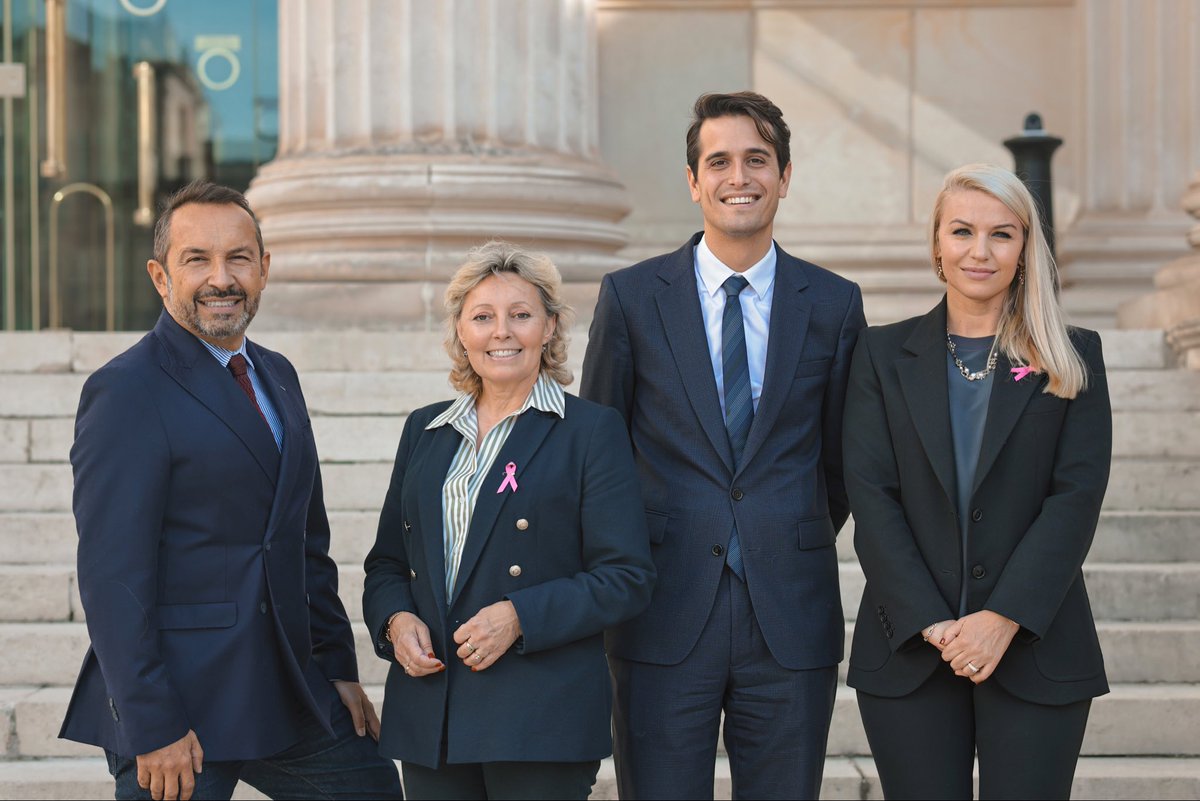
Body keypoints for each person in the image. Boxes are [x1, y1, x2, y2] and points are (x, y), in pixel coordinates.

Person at [59, 181, 403, 801]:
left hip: (286, 687)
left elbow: (305, 540)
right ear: (160, 277)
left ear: (264, 269)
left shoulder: (278, 373)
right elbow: (112, 576)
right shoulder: (126, 390)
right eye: (197, 259)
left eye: (238, 258)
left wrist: (336, 667)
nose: (222, 278)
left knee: (372, 788)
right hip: (179, 703)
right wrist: (152, 723)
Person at [581, 91, 866, 800]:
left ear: (785, 176)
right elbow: (599, 455)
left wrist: (779, 530)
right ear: (693, 180)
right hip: (660, 609)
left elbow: (843, 461)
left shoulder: (834, 303)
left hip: (789, 612)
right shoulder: (631, 298)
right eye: (719, 161)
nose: (739, 176)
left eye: (757, 160)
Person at [844, 163, 1112, 799]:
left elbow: (1075, 500)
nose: (980, 251)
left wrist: (1003, 618)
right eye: (962, 231)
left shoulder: (1072, 355)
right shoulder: (881, 354)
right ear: (937, 243)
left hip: (1036, 645)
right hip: (911, 646)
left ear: (1025, 249)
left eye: (1002, 234)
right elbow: (871, 497)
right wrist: (933, 623)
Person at [363, 241, 655, 800]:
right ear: (460, 331)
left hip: (538, 717)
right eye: (482, 317)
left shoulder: (589, 431)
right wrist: (395, 622)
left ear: (549, 327)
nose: (502, 332)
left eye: (520, 315)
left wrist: (520, 615)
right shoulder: (424, 430)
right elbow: (387, 563)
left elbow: (627, 577)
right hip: (433, 715)